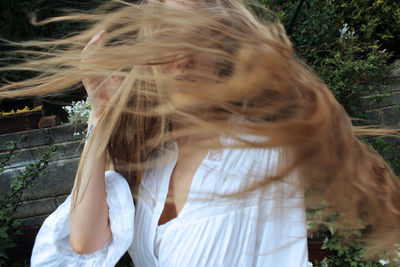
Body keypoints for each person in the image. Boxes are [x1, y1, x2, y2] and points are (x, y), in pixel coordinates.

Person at [1, 0, 399, 266]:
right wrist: (101, 116)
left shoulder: (264, 144)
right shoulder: (153, 152)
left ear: (224, 43)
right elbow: (86, 242)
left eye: (194, 33)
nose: (179, 56)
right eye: (164, 33)